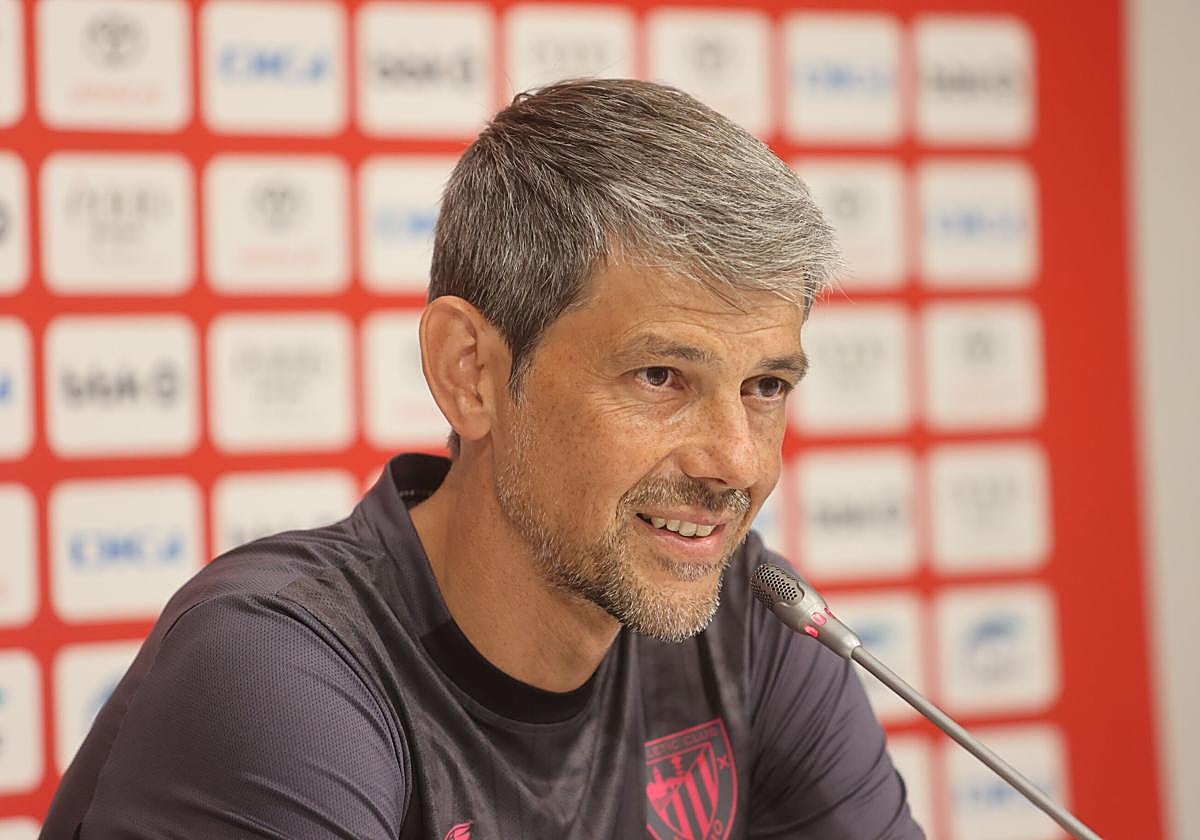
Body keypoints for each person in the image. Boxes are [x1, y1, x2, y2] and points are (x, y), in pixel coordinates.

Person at [41, 79, 923, 839]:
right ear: (472, 373)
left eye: (766, 387)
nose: (736, 461)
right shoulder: (278, 669)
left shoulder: (756, 630)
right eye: (661, 376)